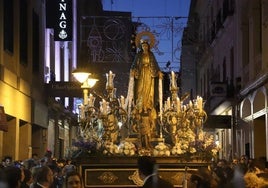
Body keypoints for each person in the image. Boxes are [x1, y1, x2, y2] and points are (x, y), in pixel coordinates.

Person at [130, 40, 162, 148]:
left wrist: (158, 72)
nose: (144, 47)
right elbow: (133, 65)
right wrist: (133, 71)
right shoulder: (138, 55)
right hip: (141, 76)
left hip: (149, 75)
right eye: (142, 45)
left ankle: (148, 107)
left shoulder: (151, 55)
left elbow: (156, 66)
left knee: (148, 92)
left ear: (148, 47)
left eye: (146, 46)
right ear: (141, 47)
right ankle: (139, 108)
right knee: (140, 91)